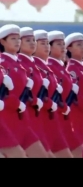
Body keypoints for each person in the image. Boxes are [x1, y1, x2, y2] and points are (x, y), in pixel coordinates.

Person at [0, 24, 48, 157]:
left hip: (23, 121)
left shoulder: (18, 64)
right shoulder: (3, 63)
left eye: (18, 38)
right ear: (2, 41)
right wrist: (16, 103)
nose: (17, 42)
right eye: (13, 39)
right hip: (8, 120)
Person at [33, 29, 72, 158]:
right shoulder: (41, 67)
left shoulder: (48, 67)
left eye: (47, 43)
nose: (63, 47)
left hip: (56, 119)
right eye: (42, 43)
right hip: (43, 119)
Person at [18, 27, 52, 157]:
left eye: (33, 40)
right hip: (25, 118)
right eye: (28, 40)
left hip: (37, 118)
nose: (33, 43)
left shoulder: (33, 65)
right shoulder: (21, 64)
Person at [47, 31, 81, 157]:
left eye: (63, 44)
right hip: (55, 119)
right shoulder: (51, 67)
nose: (63, 47)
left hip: (65, 120)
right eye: (58, 44)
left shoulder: (61, 67)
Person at [65, 33, 83, 151]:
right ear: (69, 48)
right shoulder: (72, 69)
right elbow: (75, 95)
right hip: (79, 116)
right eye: (78, 45)